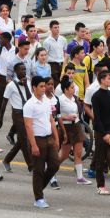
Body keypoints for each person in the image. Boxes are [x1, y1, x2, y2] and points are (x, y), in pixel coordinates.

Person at [24, 75, 61, 208]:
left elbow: (51, 119)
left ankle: (39, 187)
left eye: (44, 86)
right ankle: (38, 198)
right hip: (38, 139)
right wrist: (33, 145)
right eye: (41, 86)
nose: (44, 88)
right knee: (38, 170)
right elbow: (28, 126)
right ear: (34, 87)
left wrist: (56, 138)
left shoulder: (46, 100)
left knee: (55, 165)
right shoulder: (29, 104)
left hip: (49, 138)